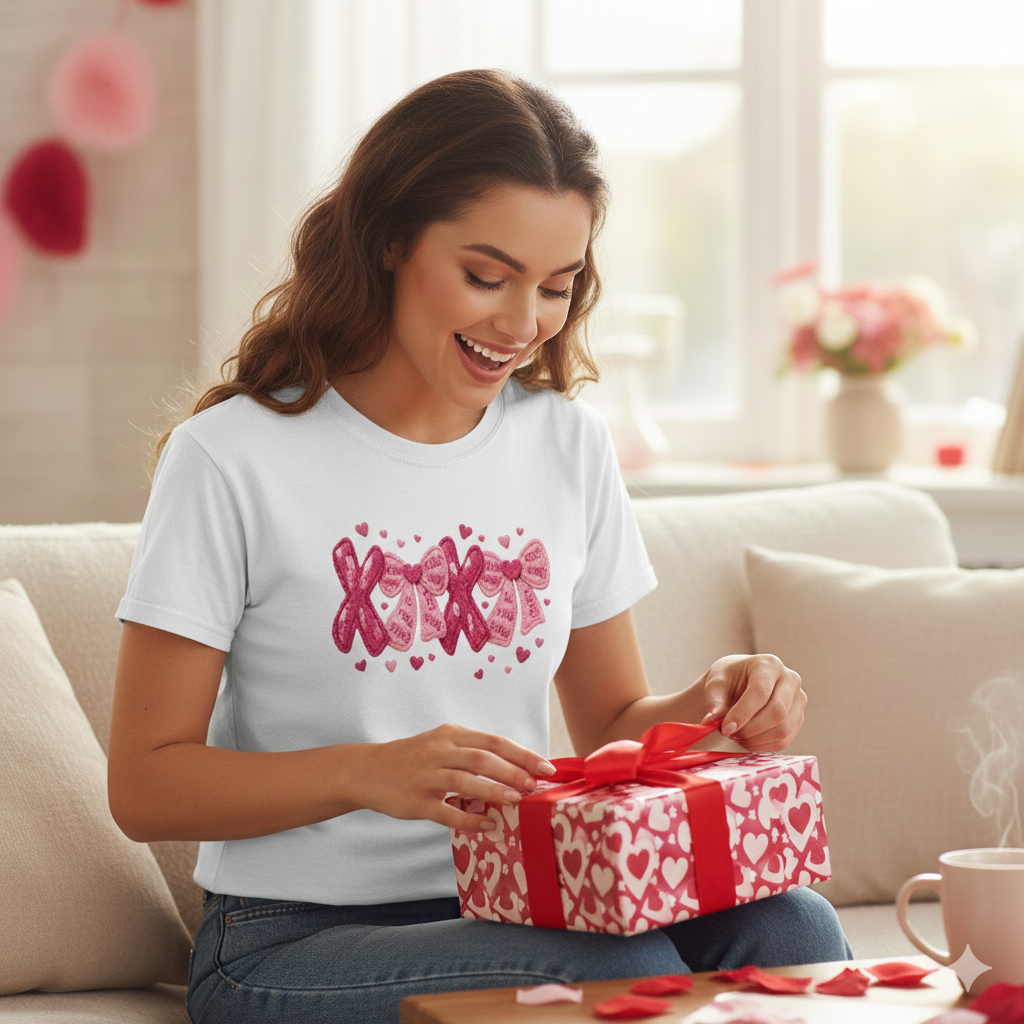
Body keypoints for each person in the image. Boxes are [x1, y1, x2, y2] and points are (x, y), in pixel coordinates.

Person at [107, 69, 850, 1024]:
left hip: (526, 893)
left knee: (793, 929)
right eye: (486, 276)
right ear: (388, 241)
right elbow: (145, 783)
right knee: (627, 961)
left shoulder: (566, 444)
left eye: (556, 285)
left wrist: (708, 710)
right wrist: (363, 771)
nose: (522, 322)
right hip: (290, 937)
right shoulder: (233, 457)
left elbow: (615, 715)